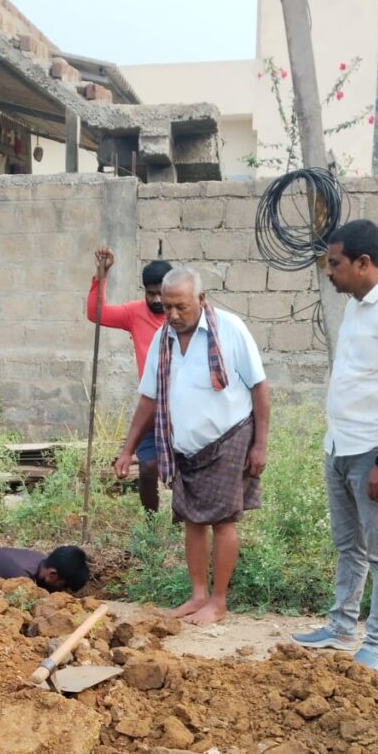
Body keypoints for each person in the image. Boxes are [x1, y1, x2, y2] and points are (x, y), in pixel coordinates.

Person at [292, 219, 378, 671]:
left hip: (375, 451)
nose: (329, 272)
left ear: (363, 262)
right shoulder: (357, 303)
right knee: (348, 545)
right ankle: (340, 626)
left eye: (335, 264)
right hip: (341, 446)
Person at [113, 267, 270, 626]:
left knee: (224, 521)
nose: (172, 315)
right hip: (184, 446)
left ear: (201, 300)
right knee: (192, 520)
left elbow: (259, 388)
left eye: (180, 307)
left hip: (230, 438)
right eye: (167, 307)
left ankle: (218, 600)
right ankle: (198, 595)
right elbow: (148, 398)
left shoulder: (230, 330)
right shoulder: (163, 339)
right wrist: (128, 449)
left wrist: (260, 444)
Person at [87, 245, 172, 512]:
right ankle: (150, 522)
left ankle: (182, 525)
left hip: (183, 406)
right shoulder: (135, 313)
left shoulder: (183, 316)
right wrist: (101, 275)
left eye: (162, 293)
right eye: (151, 294)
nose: (157, 299)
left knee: (183, 472)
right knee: (148, 468)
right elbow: (95, 313)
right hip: (150, 403)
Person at [0, 544, 90, 593]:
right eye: (63, 586)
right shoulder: (19, 578)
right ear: (52, 575)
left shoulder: (41, 559)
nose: (62, 591)